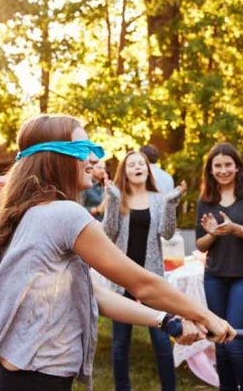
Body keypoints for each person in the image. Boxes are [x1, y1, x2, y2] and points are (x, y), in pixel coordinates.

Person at [0, 114, 234, 391]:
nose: (93, 159)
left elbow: (96, 295)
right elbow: (142, 284)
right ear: (54, 158)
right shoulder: (65, 215)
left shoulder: (31, 212)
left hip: (19, 379)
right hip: (37, 381)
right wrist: (206, 316)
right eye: (83, 150)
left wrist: (167, 322)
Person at [103, 150, 187, 391]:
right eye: (132, 165)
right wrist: (112, 201)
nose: (138, 167)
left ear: (147, 170)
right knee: (120, 344)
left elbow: (167, 233)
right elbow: (109, 234)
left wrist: (171, 204)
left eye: (141, 164)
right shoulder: (118, 197)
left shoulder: (159, 199)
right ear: (125, 172)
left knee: (161, 340)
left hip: (151, 279)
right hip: (123, 279)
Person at [195, 142, 243, 391]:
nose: (223, 170)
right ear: (211, 169)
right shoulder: (206, 200)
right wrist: (215, 233)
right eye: (218, 165)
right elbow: (201, 244)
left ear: (237, 167)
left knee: (236, 344)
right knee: (220, 343)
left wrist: (235, 229)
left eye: (228, 164)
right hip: (215, 276)